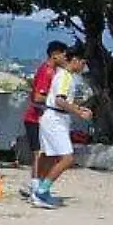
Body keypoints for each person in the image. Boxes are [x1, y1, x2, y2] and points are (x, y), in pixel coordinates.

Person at [31, 45, 93, 208]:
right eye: (83, 63)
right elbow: (60, 100)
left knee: (49, 156)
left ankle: (39, 189)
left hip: (53, 117)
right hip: (55, 119)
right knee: (67, 158)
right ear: (75, 60)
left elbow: (60, 100)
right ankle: (42, 191)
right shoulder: (65, 76)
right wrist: (79, 113)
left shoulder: (63, 75)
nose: (83, 67)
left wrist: (77, 108)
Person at [24, 41, 71, 190]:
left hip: (41, 117)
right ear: (55, 55)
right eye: (64, 55)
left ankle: (38, 185)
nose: (66, 59)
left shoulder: (52, 71)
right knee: (39, 153)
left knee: (47, 154)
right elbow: (38, 97)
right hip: (35, 117)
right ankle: (35, 186)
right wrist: (58, 101)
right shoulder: (47, 71)